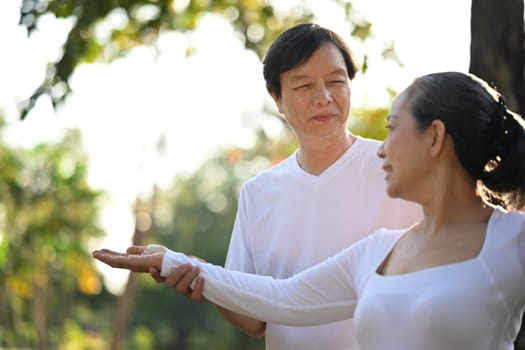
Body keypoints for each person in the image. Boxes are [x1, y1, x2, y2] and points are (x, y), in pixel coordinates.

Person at [93, 71, 525, 350]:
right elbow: (281, 298)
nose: (383, 148)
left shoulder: (514, 240)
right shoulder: (377, 252)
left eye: (393, 129)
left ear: (434, 137)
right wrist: (173, 262)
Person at [148, 23, 421, 350]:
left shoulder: (398, 169)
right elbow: (254, 320)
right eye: (304, 85)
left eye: (336, 81)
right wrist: (205, 280)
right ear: (276, 98)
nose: (324, 98)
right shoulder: (259, 193)